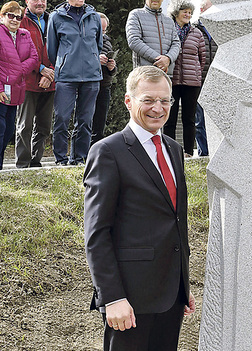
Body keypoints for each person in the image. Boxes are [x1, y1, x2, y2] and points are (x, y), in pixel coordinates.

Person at [84, 66, 195, 350]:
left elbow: (175, 221)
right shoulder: (108, 151)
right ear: (128, 101)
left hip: (171, 295)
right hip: (129, 300)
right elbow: (97, 233)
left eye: (165, 100)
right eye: (148, 100)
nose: (158, 108)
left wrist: (183, 283)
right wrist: (111, 297)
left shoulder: (173, 149)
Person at [47, 0, 103, 165]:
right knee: (62, 118)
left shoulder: (94, 16)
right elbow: (52, 49)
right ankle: (61, 159)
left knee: (85, 120)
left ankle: (79, 158)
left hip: (91, 76)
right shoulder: (56, 17)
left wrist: (91, 61)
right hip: (66, 76)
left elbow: (98, 45)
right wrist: (64, 63)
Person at [0, 1, 38, 171]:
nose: (15, 20)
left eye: (18, 17)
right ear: (2, 16)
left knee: (7, 130)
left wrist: (16, 71)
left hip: (15, 91)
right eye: (10, 16)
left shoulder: (24, 34)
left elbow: (34, 58)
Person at [14, 0, 55, 168]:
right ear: (27, 2)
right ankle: (22, 164)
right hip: (26, 82)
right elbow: (16, 50)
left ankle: (36, 162)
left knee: (44, 126)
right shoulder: (20, 21)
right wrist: (41, 69)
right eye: (36, 0)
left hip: (50, 82)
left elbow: (61, 49)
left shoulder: (54, 20)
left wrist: (50, 72)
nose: (40, 3)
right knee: (25, 125)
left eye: (43, 0)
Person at [164, 0, 205, 157]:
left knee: (189, 118)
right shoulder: (167, 30)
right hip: (171, 80)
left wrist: (195, 74)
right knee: (170, 118)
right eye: (185, 11)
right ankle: (170, 151)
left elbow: (202, 59)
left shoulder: (197, 33)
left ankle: (188, 152)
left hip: (191, 82)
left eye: (190, 12)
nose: (188, 14)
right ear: (176, 12)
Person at [126, 0, 180, 76]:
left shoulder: (169, 21)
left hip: (166, 75)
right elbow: (134, 41)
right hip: (145, 74)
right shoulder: (135, 15)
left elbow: (176, 43)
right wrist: (160, 60)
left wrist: (168, 58)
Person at [194, 0, 217, 157]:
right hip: (199, 80)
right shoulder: (193, 29)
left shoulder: (219, 29)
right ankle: (204, 153)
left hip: (216, 81)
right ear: (202, 9)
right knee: (199, 120)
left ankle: (216, 152)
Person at [90, 12, 117, 145]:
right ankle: (82, 153)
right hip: (88, 84)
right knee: (86, 120)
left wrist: (112, 67)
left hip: (104, 85)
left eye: (105, 29)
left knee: (100, 122)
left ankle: (97, 151)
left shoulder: (107, 41)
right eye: (100, 29)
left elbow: (111, 70)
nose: (102, 32)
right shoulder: (85, 40)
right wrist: (96, 60)